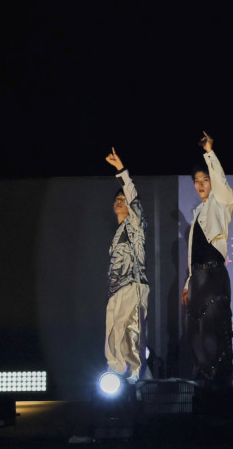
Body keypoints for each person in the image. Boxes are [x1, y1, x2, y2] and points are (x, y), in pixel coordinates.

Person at [182, 131, 233, 391]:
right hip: (198, 279)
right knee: (197, 332)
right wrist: (188, 283)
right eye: (197, 181)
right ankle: (203, 387)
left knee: (215, 330)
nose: (200, 184)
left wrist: (209, 152)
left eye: (205, 180)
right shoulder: (198, 213)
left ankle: (221, 388)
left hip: (214, 277)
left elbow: (220, 182)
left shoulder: (222, 202)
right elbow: (194, 253)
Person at [103, 147, 149, 382]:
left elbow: (135, 200)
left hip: (133, 284)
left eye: (124, 199)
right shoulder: (117, 233)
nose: (121, 202)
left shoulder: (135, 225)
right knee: (113, 334)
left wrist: (121, 171)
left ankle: (133, 378)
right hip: (116, 289)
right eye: (117, 200)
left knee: (130, 332)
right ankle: (115, 376)